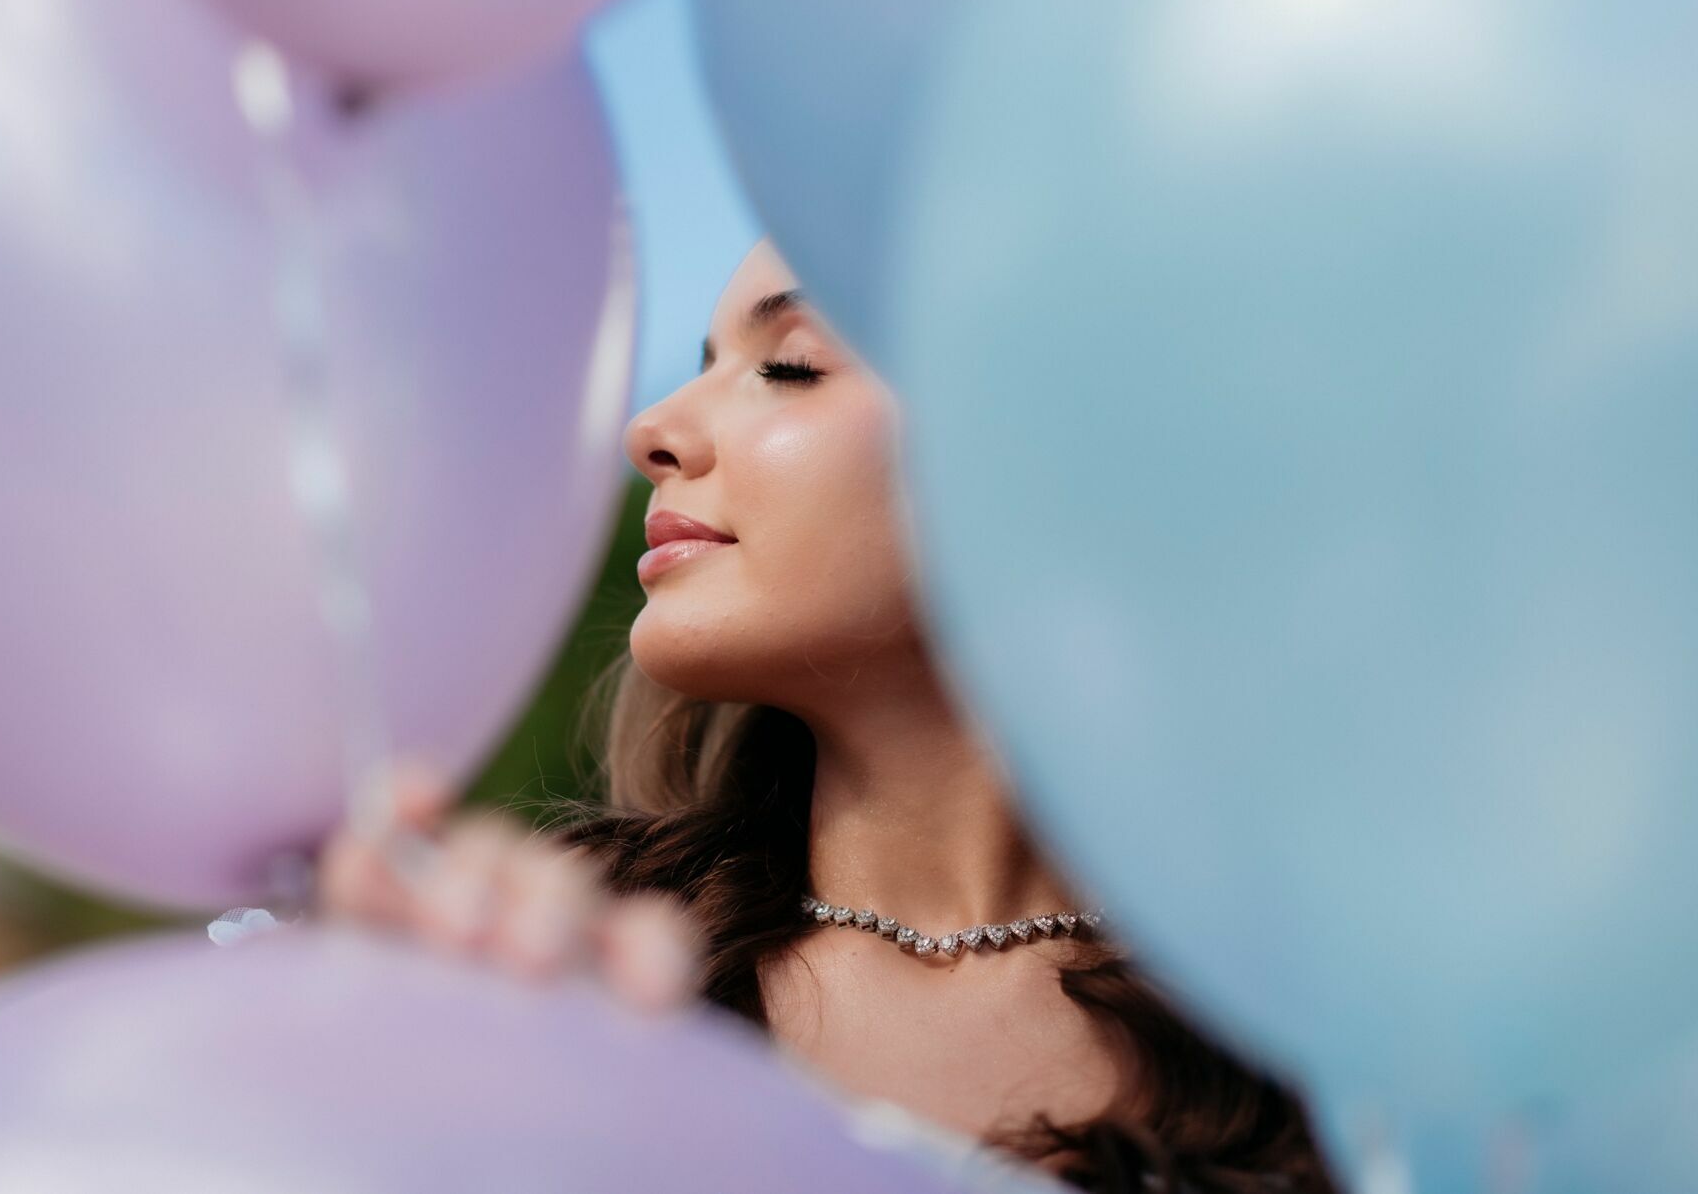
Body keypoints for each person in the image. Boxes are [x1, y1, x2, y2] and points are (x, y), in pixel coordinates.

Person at [316, 239, 1344, 1193]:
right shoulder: (569, 972)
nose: (651, 430)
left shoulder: (1327, 1032)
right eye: (708, 357)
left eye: (791, 363)